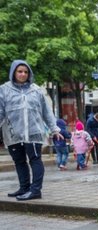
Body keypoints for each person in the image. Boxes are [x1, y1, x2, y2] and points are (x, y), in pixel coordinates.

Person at [0, 60, 62, 201]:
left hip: (34, 133)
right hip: (13, 134)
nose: (23, 74)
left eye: (25, 72)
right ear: (13, 72)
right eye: (19, 71)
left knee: (35, 160)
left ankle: (35, 191)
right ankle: (24, 188)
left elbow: (46, 112)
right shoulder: (4, 90)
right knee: (19, 161)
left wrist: (54, 129)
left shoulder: (36, 90)